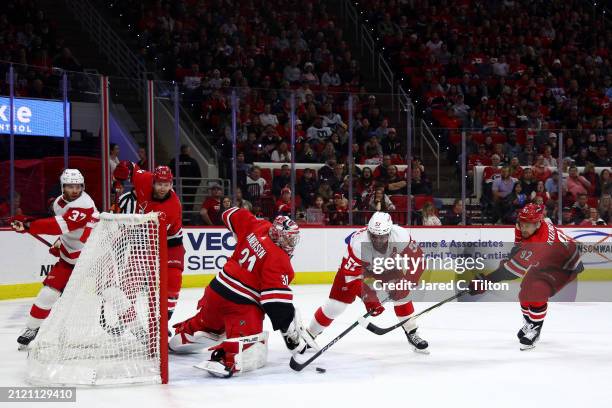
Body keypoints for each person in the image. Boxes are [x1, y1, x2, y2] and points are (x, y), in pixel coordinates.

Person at [168, 208, 316, 377]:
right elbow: (275, 304)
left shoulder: (259, 225)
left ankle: (182, 336)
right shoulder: (280, 260)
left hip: (215, 291)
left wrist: (243, 239)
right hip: (241, 306)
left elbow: (229, 213)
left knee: (206, 324)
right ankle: (227, 358)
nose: (290, 244)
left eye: (292, 240)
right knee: (254, 346)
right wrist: (292, 339)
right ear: (276, 235)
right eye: (287, 239)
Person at [308, 212, 429, 352]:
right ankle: (311, 333)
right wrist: (369, 298)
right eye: (374, 236)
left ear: (390, 232)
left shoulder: (400, 235)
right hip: (356, 269)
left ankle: (412, 332)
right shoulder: (359, 244)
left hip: (385, 265)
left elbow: (418, 260)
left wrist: (407, 283)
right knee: (336, 306)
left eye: (382, 236)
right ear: (368, 231)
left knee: (402, 295)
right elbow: (352, 277)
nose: (378, 240)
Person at [469, 204, 583, 349]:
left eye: (527, 226)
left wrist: (486, 281)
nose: (523, 228)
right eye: (521, 224)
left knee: (536, 291)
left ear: (538, 224)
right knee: (524, 292)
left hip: (565, 266)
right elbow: (518, 245)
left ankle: (535, 328)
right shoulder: (528, 226)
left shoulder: (538, 242)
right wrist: (512, 258)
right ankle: (529, 323)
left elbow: (512, 272)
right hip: (548, 259)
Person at [12, 169, 99, 349]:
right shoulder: (59, 203)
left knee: (112, 292)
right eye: (70, 186)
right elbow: (67, 229)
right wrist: (59, 241)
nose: (75, 190)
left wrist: (28, 225)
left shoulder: (85, 204)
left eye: (78, 186)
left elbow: (62, 225)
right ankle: (31, 329)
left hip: (94, 258)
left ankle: (137, 328)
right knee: (47, 294)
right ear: (62, 187)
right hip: (69, 260)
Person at [113, 162, 185, 325]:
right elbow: (132, 167)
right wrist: (122, 172)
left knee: (173, 282)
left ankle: (163, 322)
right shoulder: (143, 179)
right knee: (131, 281)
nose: (162, 188)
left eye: (166, 185)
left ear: (171, 184)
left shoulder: (172, 207)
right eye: (159, 184)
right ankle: (126, 317)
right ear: (153, 182)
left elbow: (156, 237)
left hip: (170, 243)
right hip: (144, 239)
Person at [169, 145, 202, 212]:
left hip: (176, 186)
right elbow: (198, 176)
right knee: (189, 204)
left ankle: (176, 218)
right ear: (188, 151)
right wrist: (194, 186)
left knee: (175, 202)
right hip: (190, 187)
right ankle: (187, 219)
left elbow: (169, 173)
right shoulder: (193, 161)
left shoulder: (174, 160)